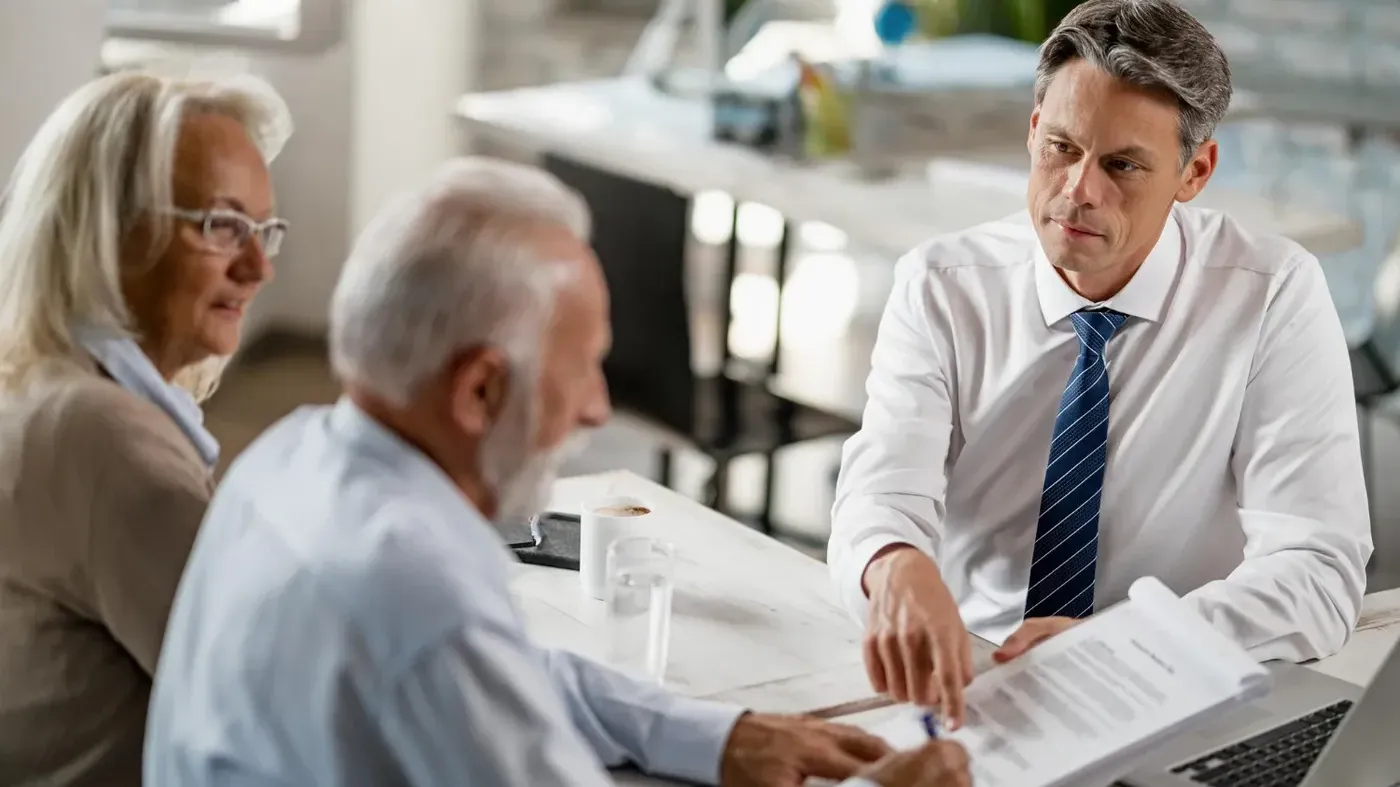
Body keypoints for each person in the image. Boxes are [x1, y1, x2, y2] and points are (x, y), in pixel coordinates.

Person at [143, 157, 972, 787]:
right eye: (583, 369)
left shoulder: (285, 459)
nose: (598, 410)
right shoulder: (417, 598)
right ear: (479, 389)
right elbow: (463, 656)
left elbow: (516, 672)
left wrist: (717, 736)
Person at [829, 0, 1372, 730]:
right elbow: (882, 485)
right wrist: (892, 561)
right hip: (977, 675)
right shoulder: (942, 283)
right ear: (1032, 132)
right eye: (1060, 147)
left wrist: (1127, 643)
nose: (1079, 190)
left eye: (1122, 165)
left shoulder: (1270, 293)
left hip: (1171, 681)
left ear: (1194, 172)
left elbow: (1318, 570)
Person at [0, 71, 289, 786]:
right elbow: (274, 718)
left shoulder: (43, 382)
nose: (257, 267)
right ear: (110, 228)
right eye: (222, 226)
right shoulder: (102, 438)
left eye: (264, 230)